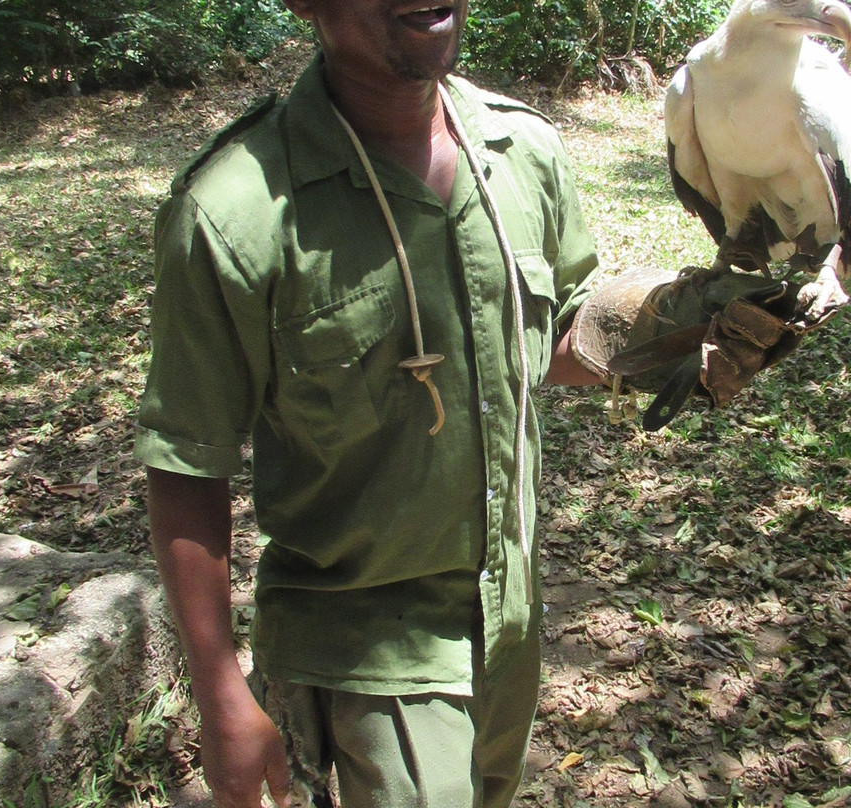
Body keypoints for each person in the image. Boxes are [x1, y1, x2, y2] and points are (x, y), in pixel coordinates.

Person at [135, 1, 602, 806]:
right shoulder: (235, 211)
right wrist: (220, 701)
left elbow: (553, 343)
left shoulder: (521, 150)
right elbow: (186, 464)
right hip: (364, 647)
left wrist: (686, 332)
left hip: (510, 622)